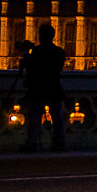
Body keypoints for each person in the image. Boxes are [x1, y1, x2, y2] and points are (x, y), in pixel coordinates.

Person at [20, 23, 68, 153]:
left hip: (38, 88)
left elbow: (30, 69)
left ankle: (32, 143)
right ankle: (60, 143)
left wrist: (26, 54)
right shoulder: (59, 52)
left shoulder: (37, 51)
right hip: (54, 87)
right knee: (57, 118)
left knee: (35, 118)